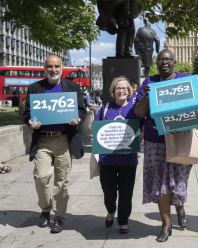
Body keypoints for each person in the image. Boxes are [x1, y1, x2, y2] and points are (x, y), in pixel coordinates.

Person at [134, 49, 193, 242]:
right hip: (155, 140)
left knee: (179, 179)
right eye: (160, 60)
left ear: (175, 62)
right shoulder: (149, 83)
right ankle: (166, 223)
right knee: (160, 184)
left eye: (168, 59)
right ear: (156, 63)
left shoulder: (185, 80)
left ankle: (180, 207)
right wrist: (147, 97)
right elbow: (139, 113)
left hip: (180, 139)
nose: (164, 62)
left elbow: (195, 108)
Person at [23, 55, 86, 233]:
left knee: (61, 182)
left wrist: (78, 119)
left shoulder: (72, 87)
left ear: (62, 68)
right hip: (42, 140)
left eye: (56, 66)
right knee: (41, 178)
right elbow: (27, 113)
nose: (53, 70)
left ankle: (59, 217)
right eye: (50, 66)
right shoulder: (35, 88)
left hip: (64, 139)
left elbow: (82, 110)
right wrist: (30, 122)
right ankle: (45, 209)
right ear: (45, 68)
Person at [95, 76, 144, 234]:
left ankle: (123, 220)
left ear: (129, 91)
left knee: (126, 193)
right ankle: (110, 210)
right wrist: (94, 136)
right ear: (113, 91)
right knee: (108, 191)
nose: (121, 90)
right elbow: (97, 127)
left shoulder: (135, 108)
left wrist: (141, 134)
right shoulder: (106, 108)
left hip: (128, 160)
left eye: (124, 88)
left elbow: (142, 127)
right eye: (118, 88)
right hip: (107, 159)